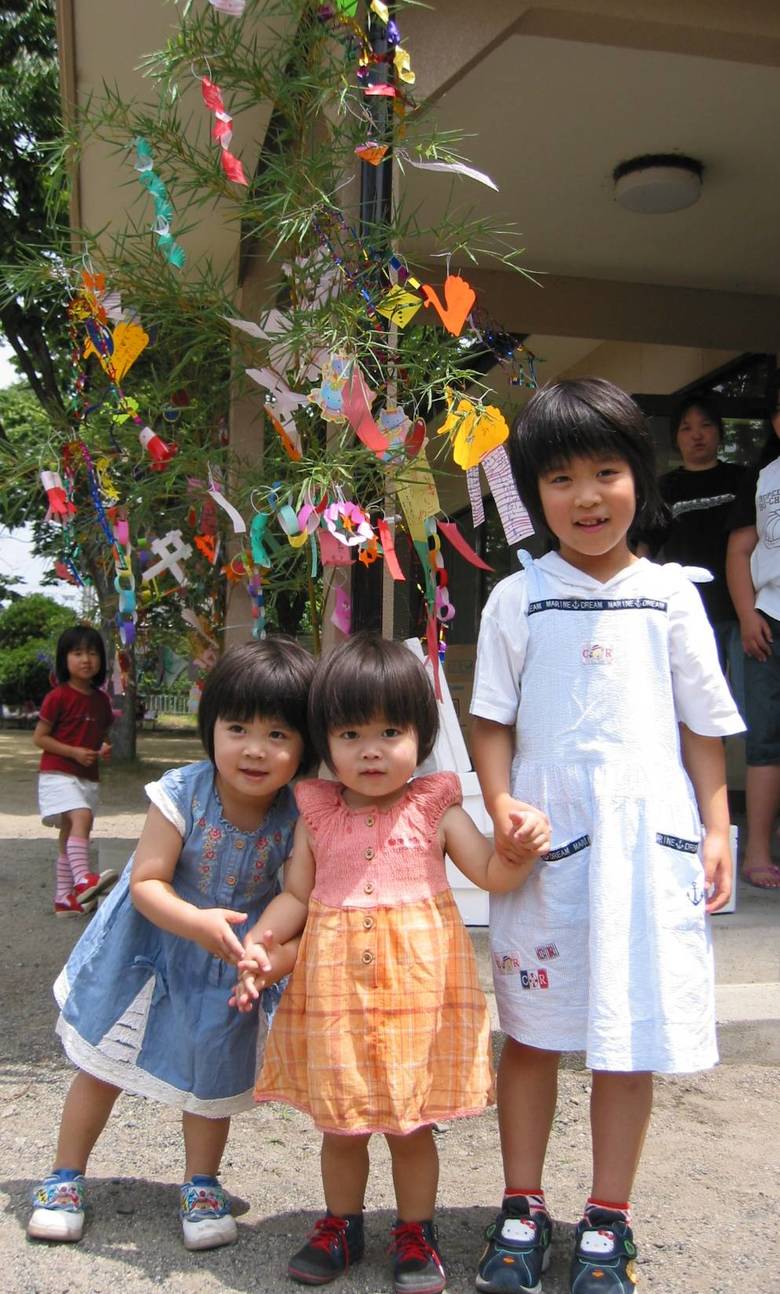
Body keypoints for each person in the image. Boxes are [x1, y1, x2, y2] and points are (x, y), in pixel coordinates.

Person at [469, 378, 744, 1294]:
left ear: (642, 477)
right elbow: (492, 722)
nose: (586, 497)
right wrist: (503, 804)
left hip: (647, 843)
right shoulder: (519, 598)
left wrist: (717, 827)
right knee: (536, 1031)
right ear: (534, 494)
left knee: (627, 1036)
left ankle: (607, 1218)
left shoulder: (672, 595)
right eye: (560, 479)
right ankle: (521, 1205)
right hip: (546, 852)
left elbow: (703, 725)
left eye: (607, 472)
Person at [234, 634, 551, 1294]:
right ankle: (340, 1224)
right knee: (342, 1128)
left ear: (422, 733)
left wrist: (519, 848)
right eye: (350, 734)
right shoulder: (316, 813)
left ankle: (416, 1231)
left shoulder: (435, 806)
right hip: (335, 999)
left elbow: (491, 872)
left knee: (411, 1127)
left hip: (418, 1000)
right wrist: (261, 944)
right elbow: (296, 895)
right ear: (325, 740)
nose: (371, 750)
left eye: (390, 731)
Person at [27, 637, 315, 1251]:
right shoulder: (181, 792)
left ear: (304, 747)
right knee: (103, 1062)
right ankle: (65, 1174)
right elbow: (146, 882)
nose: (255, 749)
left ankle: (202, 1182)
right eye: (238, 728)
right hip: (150, 952)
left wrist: (258, 948)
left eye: (279, 735)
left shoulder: (299, 816)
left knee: (212, 1072)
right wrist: (196, 922)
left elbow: (296, 895)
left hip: (226, 963)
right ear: (212, 729)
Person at [643, 393, 744, 698]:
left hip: (739, 611)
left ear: (719, 432)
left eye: (706, 425)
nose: (697, 434)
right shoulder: (665, 487)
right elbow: (645, 546)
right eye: (686, 428)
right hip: (688, 611)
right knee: (698, 702)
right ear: (676, 437)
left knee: (750, 704)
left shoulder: (743, 479)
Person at [726, 375, 780, 889]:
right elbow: (740, 550)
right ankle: (758, 852)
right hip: (771, 622)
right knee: (765, 742)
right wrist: (747, 615)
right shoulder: (762, 476)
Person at [34, 625, 117, 916]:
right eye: (78, 653)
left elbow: (101, 735)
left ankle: (64, 899)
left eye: (92, 653)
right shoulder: (57, 697)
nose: (86, 660)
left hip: (87, 777)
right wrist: (73, 752)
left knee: (72, 831)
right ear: (64, 658)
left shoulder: (101, 700)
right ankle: (83, 881)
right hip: (57, 772)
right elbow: (39, 738)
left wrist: (103, 748)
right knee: (79, 817)